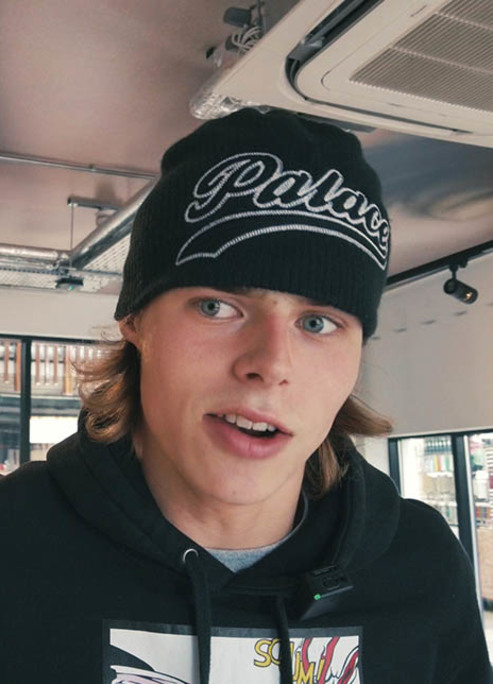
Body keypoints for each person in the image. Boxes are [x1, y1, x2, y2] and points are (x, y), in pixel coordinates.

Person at [0, 108, 490, 684]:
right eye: (217, 307)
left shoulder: (422, 565)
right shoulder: (14, 543)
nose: (271, 365)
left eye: (318, 323)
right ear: (135, 319)